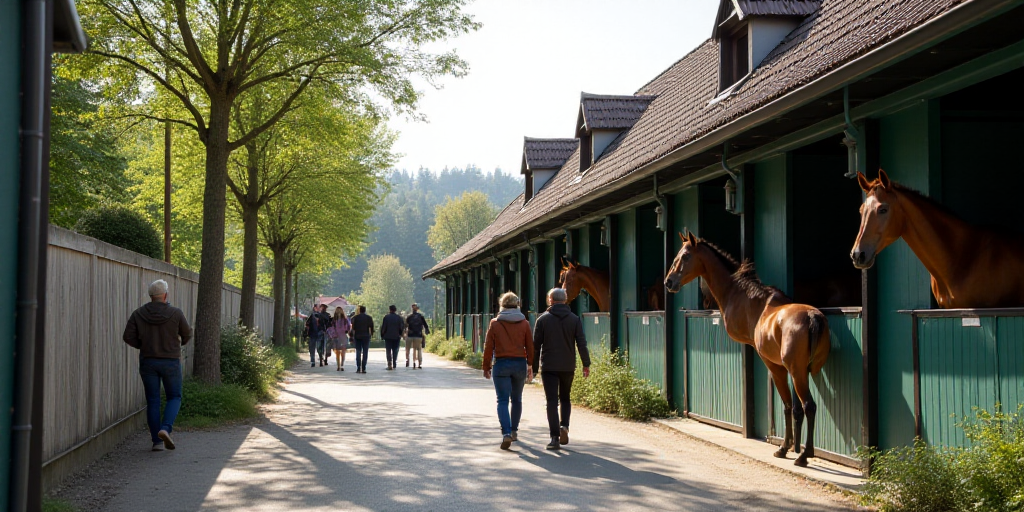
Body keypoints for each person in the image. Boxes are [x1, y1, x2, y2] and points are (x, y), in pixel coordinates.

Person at [122, 279, 192, 451]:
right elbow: (187, 334)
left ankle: (157, 442)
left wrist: (143, 345)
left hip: (148, 361)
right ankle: (165, 428)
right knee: (174, 397)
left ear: (151, 296)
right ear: (165, 295)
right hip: (170, 361)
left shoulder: (138, 314)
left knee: (153, 400)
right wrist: (176, 345)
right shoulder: (175, 313)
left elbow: (128, 336)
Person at [533, 288, 590, 450]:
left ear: (550, 300)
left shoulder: (543, 320)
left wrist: (534, 368)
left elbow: (536, 347)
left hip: (549, 366)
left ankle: (554, 437)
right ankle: (564, 426)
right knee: (565, 398)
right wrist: (586, 364)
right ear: (565, 300)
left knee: (551, 401)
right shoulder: (574, 319)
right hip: (567, 366)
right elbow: (581, 343)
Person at [483, 292, 534, 450]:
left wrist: (486, 366)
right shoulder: (524, 323)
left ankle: (506, 433)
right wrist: (530, 365)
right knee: (517, 399)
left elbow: (488, 347)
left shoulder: (495, 323)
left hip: (501, 364)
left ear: (502, 305)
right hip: (519, 364)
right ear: (517, 305)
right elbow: (530, 346)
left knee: (502, 400)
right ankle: (514, 431)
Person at [404, 303, 430, 369]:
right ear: (418, 309)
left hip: (410, 335)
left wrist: (404, 333)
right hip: (418, 335)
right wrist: (427, 330)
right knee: (418, 349)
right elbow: (425, 325)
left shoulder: (409, 316)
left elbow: (405, 326)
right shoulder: (421, 316)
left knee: (407, 349)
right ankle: (419, 363)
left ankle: (407, 359)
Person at [380, 305, 405, 370]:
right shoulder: (399, 318)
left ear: (390, 309)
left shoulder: (386, 317)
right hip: (396, 336)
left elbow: (383, 327)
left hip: (388, 336)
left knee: (388, 350)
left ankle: (389, 363)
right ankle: (394, 362)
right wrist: (400, 334)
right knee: (395, 350)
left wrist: (382, 335)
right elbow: (401, 327)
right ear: (395, 310)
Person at [350, 305, 374, 373]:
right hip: (366, 336)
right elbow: (371, 327)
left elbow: (353, 328)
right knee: (365, 352)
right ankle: (364, 367)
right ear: (365, 310)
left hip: (357, 336)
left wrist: (352, 335)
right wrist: (371, 334)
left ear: (360, 310)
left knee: (358, 351)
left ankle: (358, 367)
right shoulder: (369, 318)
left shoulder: (355, 318)